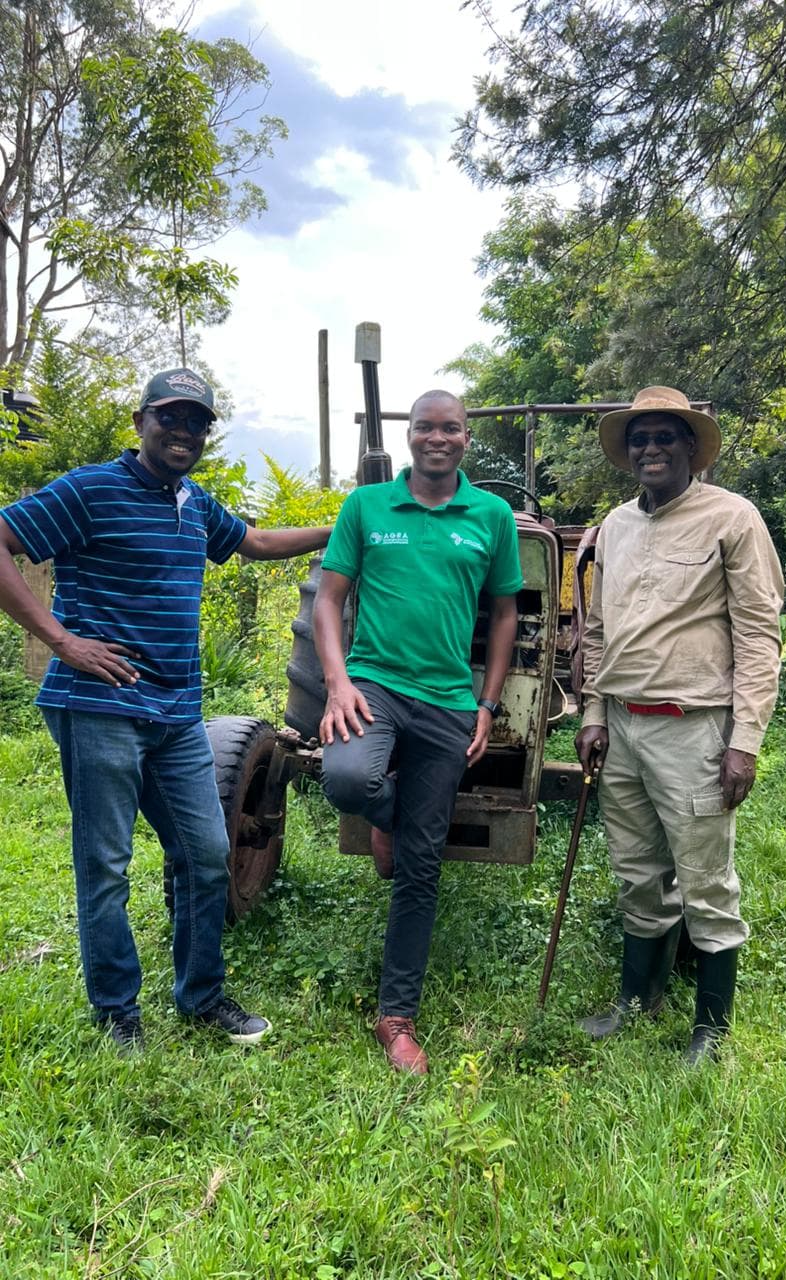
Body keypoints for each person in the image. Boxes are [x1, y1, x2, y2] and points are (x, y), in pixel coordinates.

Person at [0, 368, 333, 1052]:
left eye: (197, 423)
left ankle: (200, 998)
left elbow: (256, 542)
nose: (183, 432)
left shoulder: (192, 502)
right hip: (99, 708)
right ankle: (118, 1013)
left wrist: (344, 526)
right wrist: (63, 642)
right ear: (141, 421)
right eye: (170, 418)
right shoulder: (90, 490)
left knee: (207, 854)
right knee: (106, 866)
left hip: (177, 714)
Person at [314, 389, 522, 1075]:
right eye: (427, 427)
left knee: (421, 864)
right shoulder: (366, 507)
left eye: (452, 428)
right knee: (347, 777)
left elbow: (503, 617)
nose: (439, 438)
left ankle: (396, 1017)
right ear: (410, 435)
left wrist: (487, 706)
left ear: (467, 438)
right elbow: (331, 600)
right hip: (373, 683)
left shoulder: (491, 516)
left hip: (447, 702)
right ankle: (386, 814)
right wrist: (338, 684)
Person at [576, 386, 784, 1063]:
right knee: (638, 874)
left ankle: (711, 1032)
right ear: (627, 452)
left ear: (691, 447)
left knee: (705, 881)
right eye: (640, 439)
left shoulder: (733, 517)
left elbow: (758, 636)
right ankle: (638, 1002)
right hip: (625, 729)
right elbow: (599, 631)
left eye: (665, 436)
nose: (651, 448)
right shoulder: (614, 526)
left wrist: (745, 742)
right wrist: (593, 712)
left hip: (694, 729)